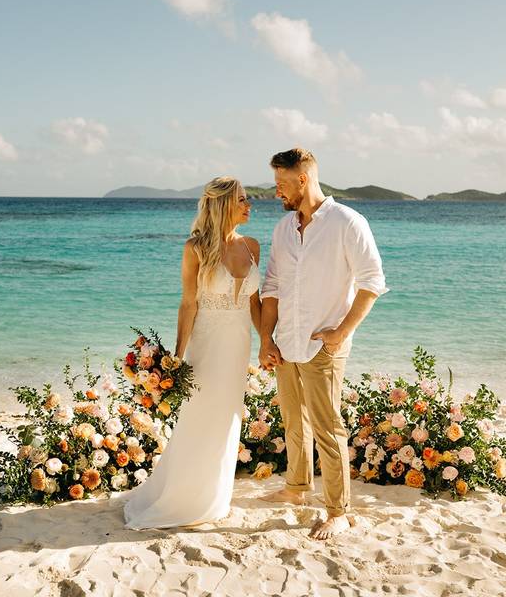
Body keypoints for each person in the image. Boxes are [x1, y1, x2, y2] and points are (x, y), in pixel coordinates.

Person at [258, 148, 388, 540]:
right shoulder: (283, 228)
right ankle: (297, 488)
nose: (276, 192)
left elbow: (372, 283)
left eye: (281, 184)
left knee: (328, 427)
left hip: (323, 345)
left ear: (303, 179)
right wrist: (266, 338)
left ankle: (337, 511)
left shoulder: (347, 222)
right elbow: (273, 287)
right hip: (286, 342)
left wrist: (341, 332)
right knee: (293, 420)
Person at [123, 176, 261, 529]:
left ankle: (214, 495)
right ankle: (184, 496)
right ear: (224, 204)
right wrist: (176, 358)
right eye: (244, 199)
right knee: (199, 416)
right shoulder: (195, 248)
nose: (250, 205)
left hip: (238, 344)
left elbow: (256, 303)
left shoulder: (252, 246)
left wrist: (268, 343)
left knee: (228, 418)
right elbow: (188, 304)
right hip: (206, 344)